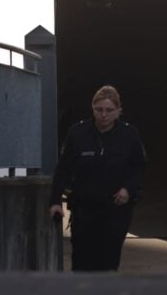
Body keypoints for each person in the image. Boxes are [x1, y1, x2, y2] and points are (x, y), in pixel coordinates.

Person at [49, 85, 146, 271]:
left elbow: (139, 167)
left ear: (118, 111)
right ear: (92, 109)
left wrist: (128, 189)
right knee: (82, 261)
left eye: (109, 110)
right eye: (99, 110)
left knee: (107, 262)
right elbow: (63, 169)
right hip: (84, 209)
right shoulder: (77, 133)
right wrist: (55, 201)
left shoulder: (129, 134)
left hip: (115, 210)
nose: (104, 115)